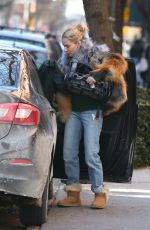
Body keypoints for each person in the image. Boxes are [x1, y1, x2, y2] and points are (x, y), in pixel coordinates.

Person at [56, 22, 110, 209]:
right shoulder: (66, 59)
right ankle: (73, 194)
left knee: (91, 154)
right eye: (63, 46)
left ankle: (99, 192)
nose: (65, 49)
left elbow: (112, 69)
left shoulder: (94, 54)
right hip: (74, 111)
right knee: (69, 153)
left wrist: (97, 77)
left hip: (92, 111)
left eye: (67, 46)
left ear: (78, 42)